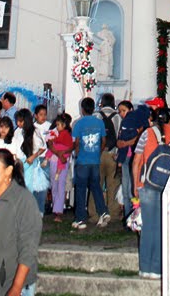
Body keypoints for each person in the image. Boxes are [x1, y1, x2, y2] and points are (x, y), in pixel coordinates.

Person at [0, 148, 42, 296]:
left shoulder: (24, 200)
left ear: (8, 171)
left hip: (13, 282)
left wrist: (16, 288)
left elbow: (28, 248)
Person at [132, 106, 170, 279]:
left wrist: (136, 183)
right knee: (163, 226)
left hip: (148, 184)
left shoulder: (147, 133)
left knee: (148, 227)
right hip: (169, 187)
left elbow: (137, 160)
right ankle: (158, 269)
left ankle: (145, 268)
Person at [71, 96, 110, 230]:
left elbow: (76, 142)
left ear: (82, 109)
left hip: (82, 160)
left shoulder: (79, 123)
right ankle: (103, 211)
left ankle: (80, 219)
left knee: (81, 189)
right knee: (96, 187)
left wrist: (77, 154)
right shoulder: (99, 123)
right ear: (94, 109)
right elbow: (104, 140)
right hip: (95, 160)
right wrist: (98, 153)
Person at [88, 92, 121, 222]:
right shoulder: (118, 117)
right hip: (113, 154)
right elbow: (119, 134)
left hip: (97, 154)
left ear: (101, 102)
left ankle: (94, 213)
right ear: (113, 103)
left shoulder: (96, 115)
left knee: (96, 184)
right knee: (113, 184)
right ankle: (112, 213)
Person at [14, 108, 47, 214]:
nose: (18, 123)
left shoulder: (35, 131)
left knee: (29, 187)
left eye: (20, 121)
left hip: (30, 162)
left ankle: (33, 212)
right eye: (17, 121)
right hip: (19, 162)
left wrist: (33, 156)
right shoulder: (17, 131)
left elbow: (42, 147)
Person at [44, 112, 73, 221]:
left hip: (63, 162)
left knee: (61, 184)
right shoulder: (54, 131)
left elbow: (71, 146)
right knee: (54, 184)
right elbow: (50, 144)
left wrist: (63, 154)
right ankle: (56, 208)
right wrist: (59, 154)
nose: (58, 126)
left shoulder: (68, 133)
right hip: (55, 160)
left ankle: (58, 210)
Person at [116, 99, 141, 219]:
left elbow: (138, 138)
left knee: (133, 187)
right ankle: (128, 215)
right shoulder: (124, 123)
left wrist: (125, 143)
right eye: (120, 111)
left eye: (124, 110)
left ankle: (134, 214)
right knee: (126, 188)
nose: (121, 113)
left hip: (133, 157)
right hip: (125, 157)